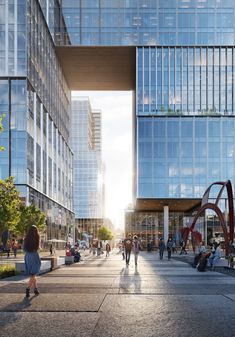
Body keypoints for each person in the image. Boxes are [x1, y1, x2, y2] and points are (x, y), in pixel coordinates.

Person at [24, 225, 41, 298]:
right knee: (33, 274)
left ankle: (35, 289)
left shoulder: (26, 238)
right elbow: (39, 248)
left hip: (27, 257)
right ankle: (27, 288)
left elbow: (23, 249)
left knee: (33, 275)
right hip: (35, 256)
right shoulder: (37, 237)